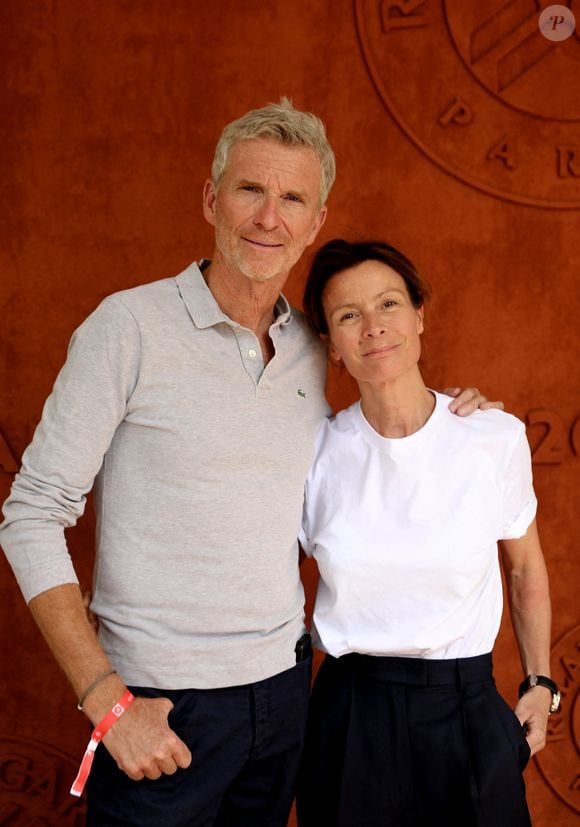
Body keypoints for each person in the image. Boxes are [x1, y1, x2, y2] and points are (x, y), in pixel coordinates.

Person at [0, 101, 498, 827]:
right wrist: (106, 698)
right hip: (162, 705)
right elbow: (32, 513)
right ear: (211, 199)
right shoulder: (128, 327)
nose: (270, 217)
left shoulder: (312, 344)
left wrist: (458, 416)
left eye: (292, 197)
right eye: (249, 190)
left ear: (315, 220)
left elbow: (382, 423)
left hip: (286, 696)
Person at [296, 238, 557, 827]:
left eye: (388, 304)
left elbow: (524, 568)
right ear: (332, 347)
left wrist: (540, 681)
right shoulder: (313, 453)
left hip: (463, 705)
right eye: (348, 316)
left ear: (419, 315)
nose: (373, 328)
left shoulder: (492, 438)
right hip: (350, 713)